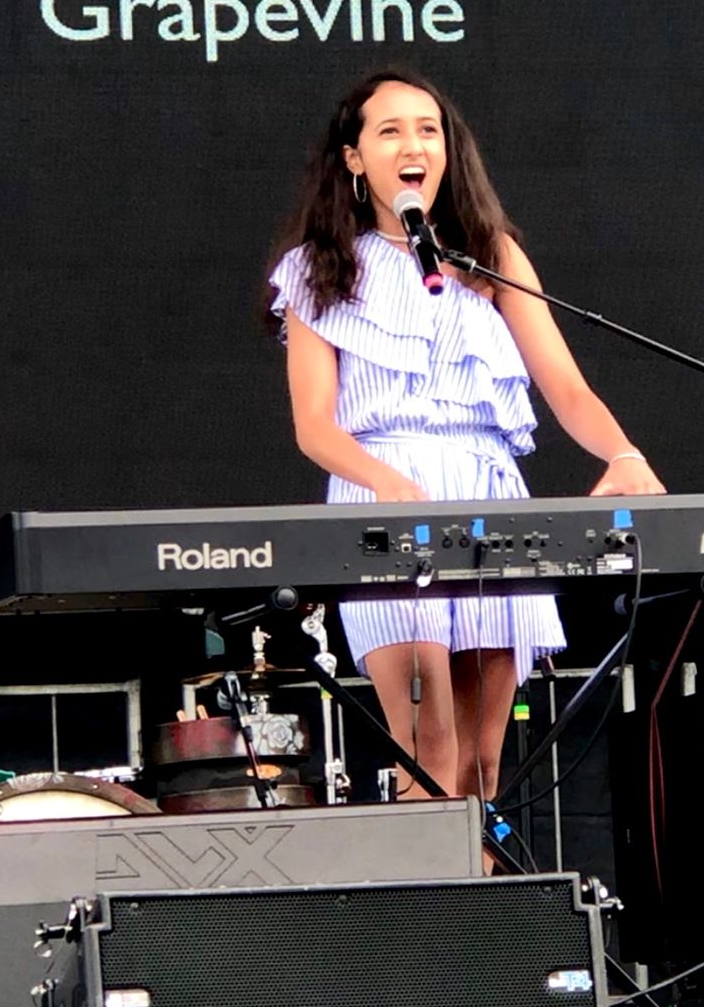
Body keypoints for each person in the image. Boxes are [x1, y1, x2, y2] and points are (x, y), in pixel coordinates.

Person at [268, 69, 664, 805]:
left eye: (428, 130)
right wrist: (387, 484)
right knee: (429, 750)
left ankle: (474, 884)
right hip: (383, 494)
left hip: (486, 491)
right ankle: (422, 884)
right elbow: (313, 425)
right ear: (354, 158)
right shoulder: (318, 268)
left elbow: (566, 388)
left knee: (482, 764)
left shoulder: (492, 256)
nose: (412, 145)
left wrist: (623, 453)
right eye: (389, 131)